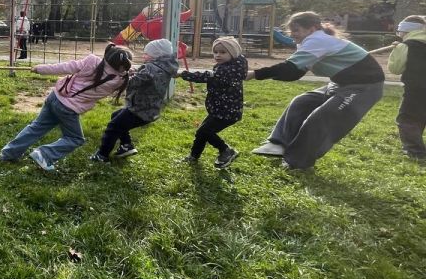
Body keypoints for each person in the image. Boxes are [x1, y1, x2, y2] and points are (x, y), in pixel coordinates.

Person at [247, 11, 384, 170]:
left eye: (296, 30)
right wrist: (265, 75)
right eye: (291, 30)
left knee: (321, 118)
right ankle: (279, 144)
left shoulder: (318, 40)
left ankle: (298, 163)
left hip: (365, 87)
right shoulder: (308, 42)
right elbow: (295, 72)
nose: (292, 34)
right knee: (301, 102)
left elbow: (289, 67)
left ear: (312, 29)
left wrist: (254, 74)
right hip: (340, 83)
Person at [0, 43, 133, 171]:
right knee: (75, 139)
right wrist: (129, 71)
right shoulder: (119, 80)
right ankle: (45, 154)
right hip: (68, 109)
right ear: (123, 67)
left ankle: (9, 153)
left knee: (36, 127)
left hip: (55, 97)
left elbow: (64, 67)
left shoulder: (92, 61)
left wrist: (39, 69)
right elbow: (123, 73)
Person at [89, 38, 179, 162]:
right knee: (116, 116)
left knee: (113, 126)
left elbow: (134, 83)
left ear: (156, 55)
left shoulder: (150, 68)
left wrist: (126, 75)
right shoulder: (164, 68)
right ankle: (126, 146)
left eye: (147, 53)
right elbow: (147, 78)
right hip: (151, 109)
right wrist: (135, 72)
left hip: (138, 109)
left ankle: (102, 155)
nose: (144, 55)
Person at [178, 36, 247, 168]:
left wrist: (184, 74)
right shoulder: (229, 66)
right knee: (201, 132)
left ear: (232, 53)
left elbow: (206, 76)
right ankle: (193, 156)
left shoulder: (229, 70)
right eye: (215, 52)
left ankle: (226, 150)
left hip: (226, 111)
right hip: (221, 109)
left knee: (205, 131)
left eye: (222, 52)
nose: (218, 55)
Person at [387, 15, 426, 160]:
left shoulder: (405, 46)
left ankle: (415, 152)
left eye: (399, 32)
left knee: (408, 119)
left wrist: (396, 51)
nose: (399, 35)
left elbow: (395, 69)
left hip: (416, 89)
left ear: (405, 31)